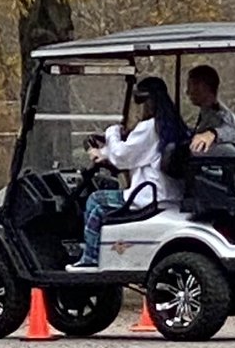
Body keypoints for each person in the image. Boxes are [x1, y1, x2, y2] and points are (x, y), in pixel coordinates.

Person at [67, 76, 189, 270]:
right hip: (171, 195)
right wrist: (103, 154)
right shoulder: (173, 126)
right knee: (101, 204)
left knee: (95, 201)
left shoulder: (150, 127)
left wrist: (112, 133)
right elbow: (131, 154)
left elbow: (122, 155)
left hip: (148, 195)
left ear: (148, 102)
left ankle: (89, 259)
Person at [186, 64, 235, 153]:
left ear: (204, 88)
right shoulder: (206, 113)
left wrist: (212, 134)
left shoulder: (220, 114)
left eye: (191, 86)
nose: (187, 92)